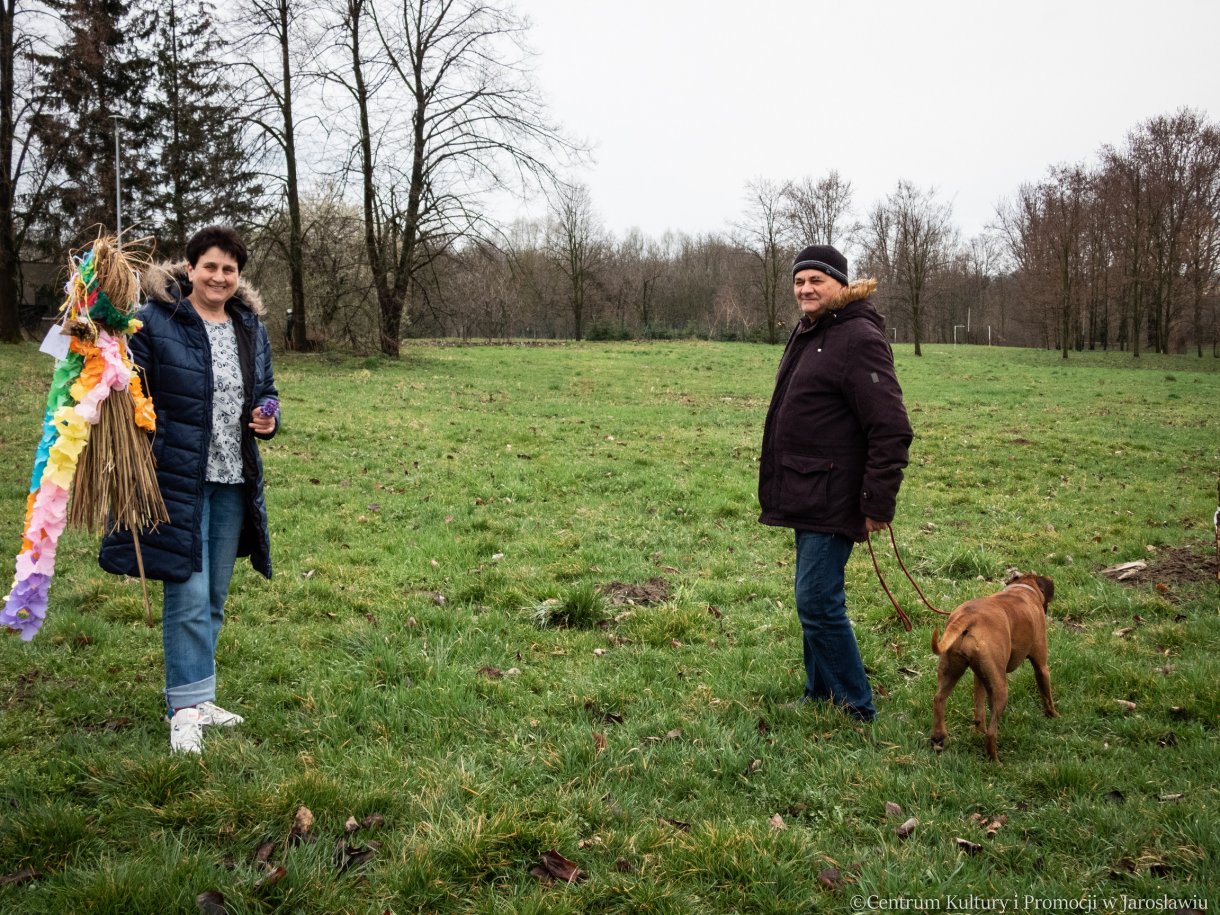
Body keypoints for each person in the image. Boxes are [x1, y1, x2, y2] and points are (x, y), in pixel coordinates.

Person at [100, 226, 279, 753]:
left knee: (215, 594)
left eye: (229, 269)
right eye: (210, 266)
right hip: (175, 476)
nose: (219, 277)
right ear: (191, 267)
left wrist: (269, 416)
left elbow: (265, 390)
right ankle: (183, 709)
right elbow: (129, 387)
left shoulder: (249, 327)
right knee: (188, 591)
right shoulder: (158, 320)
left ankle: (198, 697)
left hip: (232, 476)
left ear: (237, 277)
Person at [757, 244, 912, 722]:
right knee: (815, 597)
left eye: (816, 281)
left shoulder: (856, 337)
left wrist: (876, 502)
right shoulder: (813, 330)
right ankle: (819, 692)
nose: (806, 289)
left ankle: (855, 705)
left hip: (835, 494)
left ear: (840, 285)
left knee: (817, 600)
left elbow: (890, 428)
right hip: (807, 489)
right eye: (800, 282)